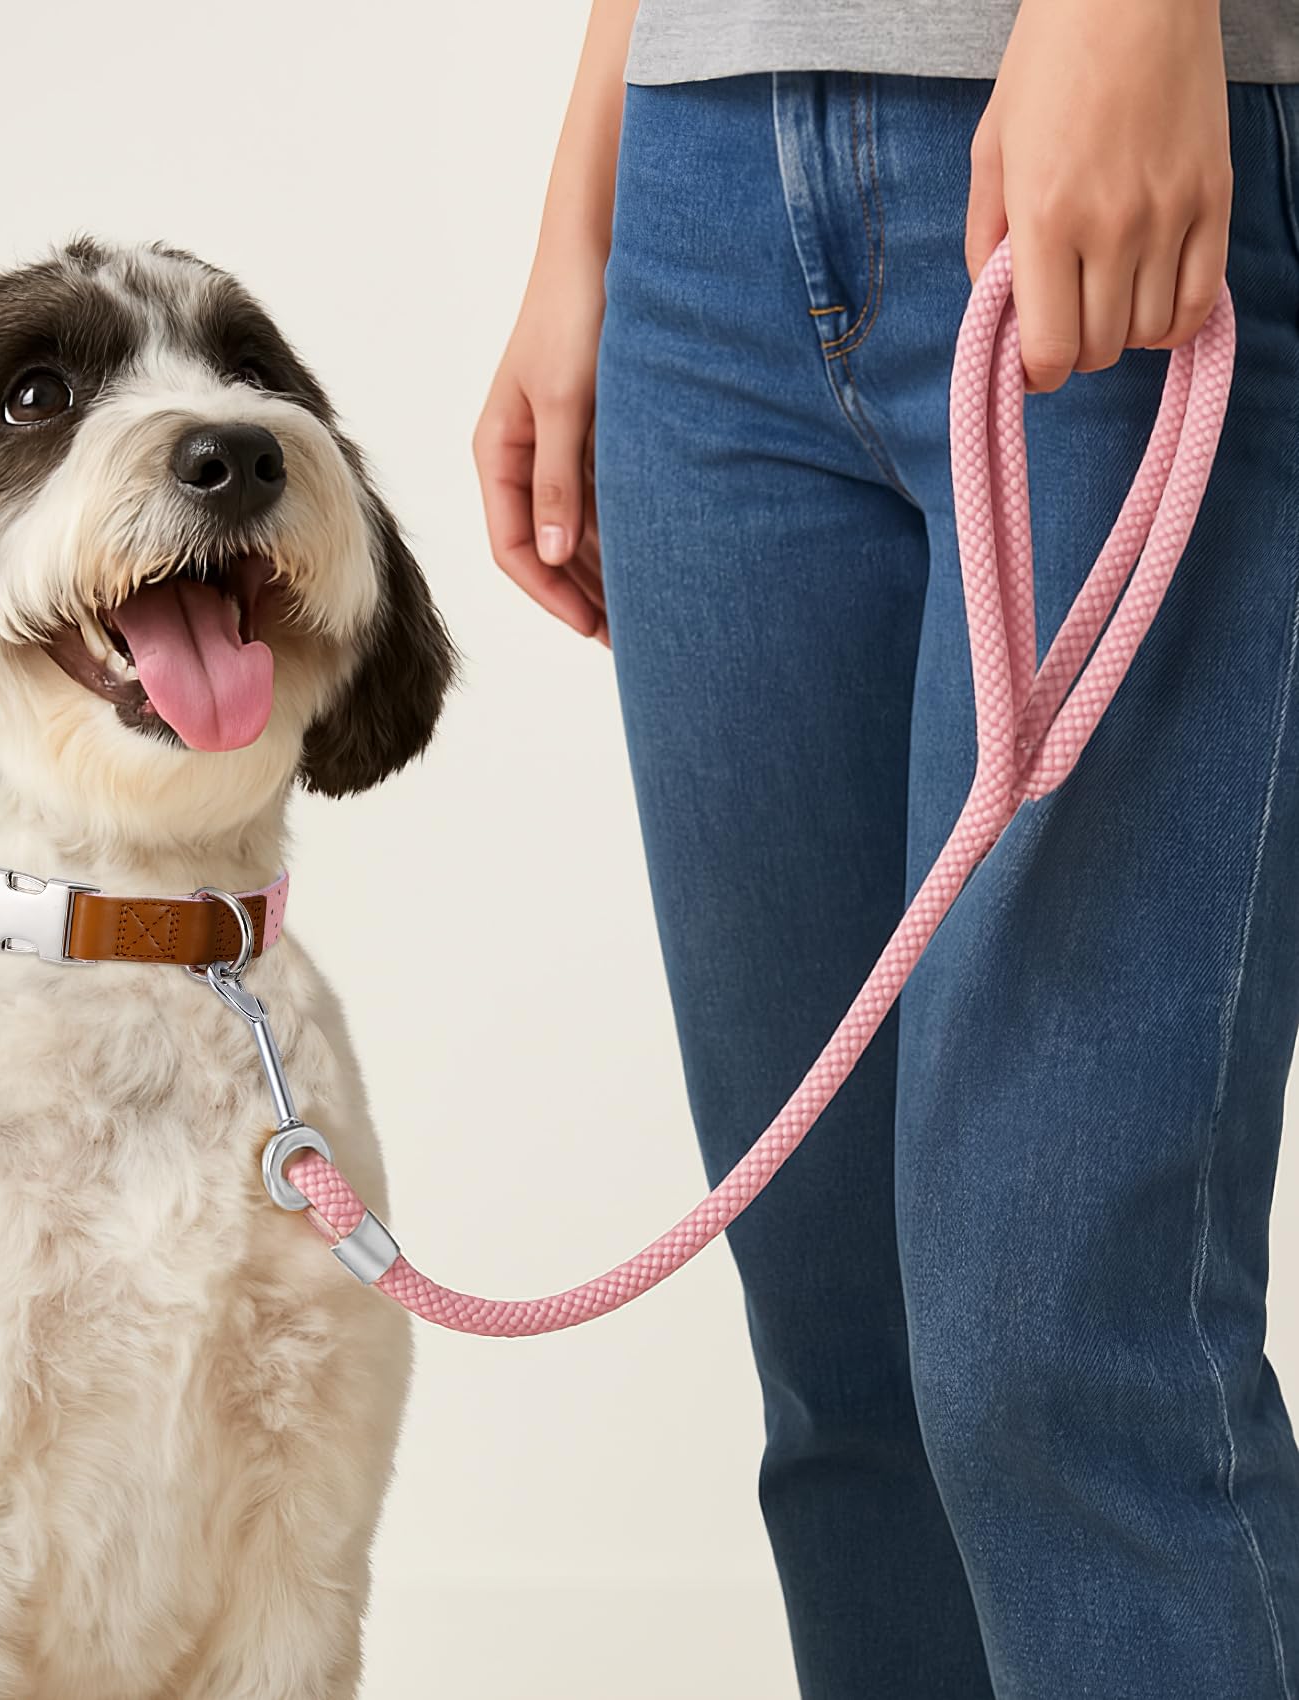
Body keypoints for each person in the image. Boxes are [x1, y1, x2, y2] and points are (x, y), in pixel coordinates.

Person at [474, 3, 1299, 1696]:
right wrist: (590, 206)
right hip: (701, 196)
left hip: (1098, 144)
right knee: (845, 1378)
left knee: (1063, 1369)